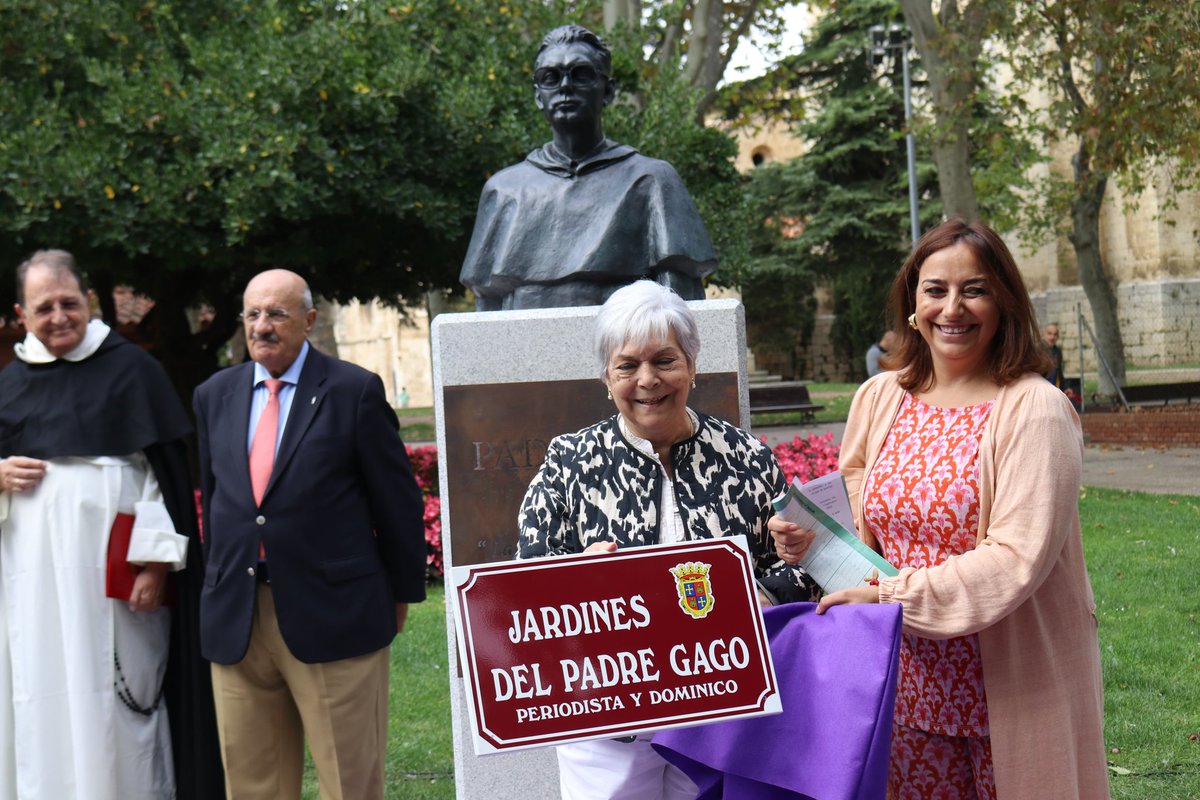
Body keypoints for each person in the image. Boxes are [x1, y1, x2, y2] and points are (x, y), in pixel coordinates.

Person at [774, 219, 1109, 798]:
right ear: (911, 301)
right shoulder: (882, 396)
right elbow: (862, 516)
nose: (952, 308)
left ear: (1004, 301)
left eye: (974, 289)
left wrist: (890, 596)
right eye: (935, 289)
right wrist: (815, 541)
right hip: (901, 685)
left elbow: (1015, 559)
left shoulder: (1036, 409)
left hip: (1006, 687)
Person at [519, 279, 819, 800]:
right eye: (627, 365)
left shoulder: (744, 457)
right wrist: (573, 578)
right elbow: (523, 586)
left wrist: (768, 588)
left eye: (664, 360)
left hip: (722, 713)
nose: (647, 380)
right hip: (606, 720)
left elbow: (804, 569)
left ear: (692, 366)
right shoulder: (569, 461)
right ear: (605, 377)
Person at [193, 269, 427, 799]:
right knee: (252, 781)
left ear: (310, 320)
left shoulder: (353, 391)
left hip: (334, 614)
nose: (262, 326)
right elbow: (216, 500)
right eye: (252, 314)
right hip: (239, 616)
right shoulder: (214, 396)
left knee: (348, 779)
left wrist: (401, 591)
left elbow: (396, 501)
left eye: (276, 313)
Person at [0, 249, 223, 799]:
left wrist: (154, 562)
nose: (58, 317)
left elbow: (162, 480)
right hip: (31, 587)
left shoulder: (133, 370)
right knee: (40, 693)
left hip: (114, 587)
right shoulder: (9, 383)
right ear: (20, 313)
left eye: (68, 303)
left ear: (89, 301)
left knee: (118, 699)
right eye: (43, 306)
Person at [460, 25, 716, 311]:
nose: (565, 86)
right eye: (550, 77)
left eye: (581, 74)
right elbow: (487, 310)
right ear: (537, 96)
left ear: (607, 91)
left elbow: (680, 307)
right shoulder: (504, 190)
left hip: (626, 347)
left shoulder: (652, 181)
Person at [1042, 322, 1065, 388]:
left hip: (1054, 388)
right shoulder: (1037, 350)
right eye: (1049, 334)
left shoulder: (1058, 351)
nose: (1052, 337)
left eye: (1055, 334)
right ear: (1044, 335)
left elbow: (1059, 372)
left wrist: (1065, 388)